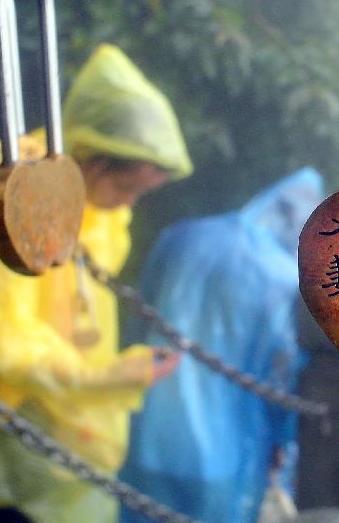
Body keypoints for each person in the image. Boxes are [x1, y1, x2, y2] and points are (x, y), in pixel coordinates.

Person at [0, 44, 192, 523]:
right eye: (125, 189)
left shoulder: (95, 209)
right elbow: (2, 340)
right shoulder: (16, 194)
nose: (126, 206)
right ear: (94, 161)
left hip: (43, 401)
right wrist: (104, 380)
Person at [120, 168, 324, 523]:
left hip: (148, 426)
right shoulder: (284, 278)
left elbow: (138, 322)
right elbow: (283, 366)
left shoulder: (181, 237)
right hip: (228, 449)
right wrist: (283, 437)